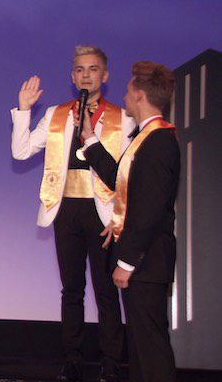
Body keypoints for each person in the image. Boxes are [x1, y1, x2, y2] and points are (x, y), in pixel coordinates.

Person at [10, 46, 134, 381]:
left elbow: (127, 178)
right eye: (79, 69)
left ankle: (111, 360)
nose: (85, 75)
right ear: (72, 75)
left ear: (105, 76)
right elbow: (21, 152)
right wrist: (24, 109)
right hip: (66, 209)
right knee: (72, 289)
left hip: (102, 213)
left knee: (106, 291)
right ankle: (72, 358)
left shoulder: (123, 119)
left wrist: (119, 218)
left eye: (93, 70)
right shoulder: (56, 113)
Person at [80, 61, 179, 382]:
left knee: (150, 346)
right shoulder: (146, 137)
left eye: (126, 91)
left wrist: (127, 261)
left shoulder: (159, 141)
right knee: (140, 344)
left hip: (147, 261)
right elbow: (122, 183)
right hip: (145, 260)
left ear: (138, 95)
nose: (124, 96)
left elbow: (150, 209)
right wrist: (90, 140)